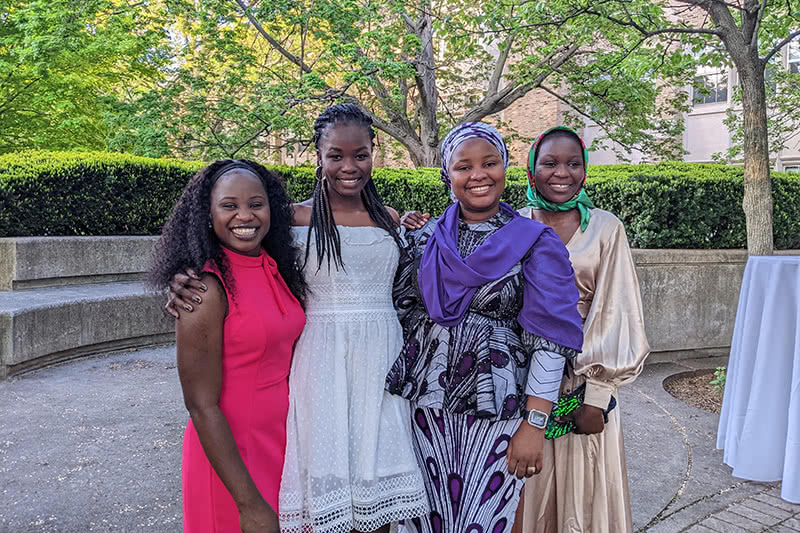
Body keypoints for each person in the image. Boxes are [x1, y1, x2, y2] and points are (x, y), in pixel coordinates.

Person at [167, 104, 428, 533]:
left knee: (380, 497)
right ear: (318, 155)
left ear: (373, 153)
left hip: (381, 362)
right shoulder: (289, 218)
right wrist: (182, 277)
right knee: (321, 496)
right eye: (335, 155)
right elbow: (232, 248)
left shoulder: (391, 219)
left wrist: (419, 227)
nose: (349, 166)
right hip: (321, 364)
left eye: (361, 155)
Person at [385, 122, 584, 533]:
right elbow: (398, 310)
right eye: (464, 166)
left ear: (505, 168)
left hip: (499, 409)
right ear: (448, 175)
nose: (478, 175)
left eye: (489, 163)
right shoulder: (424, 239)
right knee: (420, 520)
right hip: (423, 409)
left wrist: (534, 425)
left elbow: (550, 340)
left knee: (484, 520)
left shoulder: (535, 242)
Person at [151, 160, 307, 533]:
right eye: (229, 205)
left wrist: (399, 217)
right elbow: (200, 405)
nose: (245, 216)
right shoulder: (203, 289)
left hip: (279, 444)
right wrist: (249, 504)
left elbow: (336, 203)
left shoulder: (276, 266)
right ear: (208, 214)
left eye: (256, 204)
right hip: (231, 460)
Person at [513, 126, 650, 533]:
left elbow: (617, 310)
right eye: (550, 163)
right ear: (531, 169)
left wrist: (598, 394)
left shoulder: (606, 228)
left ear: (585, 170)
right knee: (526, 489)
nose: (562, 173)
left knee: (583, 494)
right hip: (523, 380)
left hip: (582, 385)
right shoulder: (513, 224)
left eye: (573, 163)